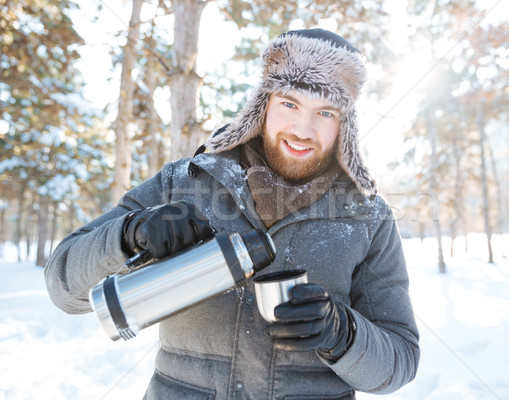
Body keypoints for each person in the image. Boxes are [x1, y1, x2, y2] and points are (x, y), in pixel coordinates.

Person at [45, 28, 420, 399]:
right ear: (264, 104)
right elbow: (64, 287)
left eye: (325, 112)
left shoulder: (367, 216)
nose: (303, 130)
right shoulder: (185, 181)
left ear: (345, 125)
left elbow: (400, 361)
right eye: (289, 103)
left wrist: (343, 333)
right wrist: (129, 234)